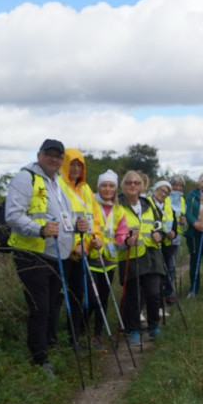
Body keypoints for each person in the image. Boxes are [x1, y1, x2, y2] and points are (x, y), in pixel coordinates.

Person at [4, 139, 80, 378]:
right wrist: (40, 229)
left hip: (57, 255)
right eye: (50, 155)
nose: (54, 159)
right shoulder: (26, 179)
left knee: (52, 305)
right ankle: (39, 357)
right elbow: (13, 216)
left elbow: (65, 217)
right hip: (31, 253)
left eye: (58, 156)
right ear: (39, 155)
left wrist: (78, 226)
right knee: (40, 307)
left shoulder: (58, 182)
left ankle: (48, 345)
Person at [116, 170, 166, 345]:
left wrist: (160, 234)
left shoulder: (148, 204)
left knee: (153, 293)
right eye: (129, 182)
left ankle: (153, 327)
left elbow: (159, 226)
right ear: (123, 185)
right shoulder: (118, 205)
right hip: (129, 256)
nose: (132, 186)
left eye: (136, 183)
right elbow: (113, 230)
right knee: (133, 296)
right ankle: (134, 330)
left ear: (142, 186)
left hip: (151, 256)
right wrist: (126, 240)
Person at [59, 149, 103, 346]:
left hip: (83, 252)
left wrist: (94, 240)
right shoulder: (58, 185)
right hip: (63, 251)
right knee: (58, 298)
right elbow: (62, 218)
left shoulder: (86, 189)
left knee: (79, 297)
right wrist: (75, 245)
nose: (75, 169)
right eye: (72, 164)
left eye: (80, 165)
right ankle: (55, 340)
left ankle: (74, 337)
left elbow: (94, 219)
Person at [88, 170, 128, 348]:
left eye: (111, 186)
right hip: (91, 259)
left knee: (103, 299)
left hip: (109, 261)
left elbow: (122, 232)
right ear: (99, 187)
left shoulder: (119, 209)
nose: (107, 189)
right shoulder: (90, 204)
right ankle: (80, 329)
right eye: (104, 185)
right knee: (91, 298)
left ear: (115, 188)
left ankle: (97, 334)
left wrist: (122, 242)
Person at [151, 179, 179, 305]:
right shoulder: (147, 204)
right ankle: (153, 299)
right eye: (161, 190)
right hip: (151, 245)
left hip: (166, 245)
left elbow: (174, 225)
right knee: (154, 274)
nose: (163, 194)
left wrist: (173, 233)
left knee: (167, 270)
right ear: (155, 190)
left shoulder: (168, 207)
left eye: (166, 193)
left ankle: (164, 296)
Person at [167, 175, 188, 302]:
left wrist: (183, 222)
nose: (177, 188)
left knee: (171, 266)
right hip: (166, 237)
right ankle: (165, 292)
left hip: (176, 238)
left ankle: (168, 292)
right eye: (175, 185)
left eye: (180, 186)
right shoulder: (166, 198)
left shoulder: (182, 201)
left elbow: (183, 220)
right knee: (167, 266)